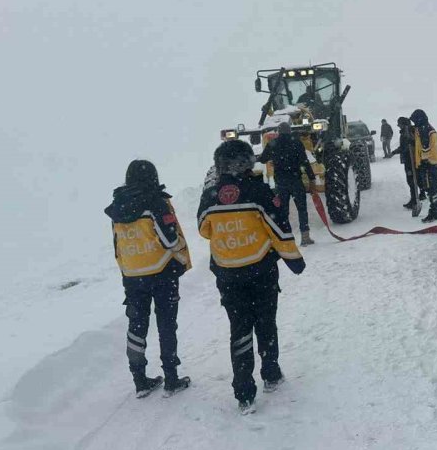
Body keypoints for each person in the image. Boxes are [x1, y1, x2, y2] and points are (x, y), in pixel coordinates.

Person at [198, 139, 306, 412]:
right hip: (261, 273)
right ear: (246, 163)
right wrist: (294, 261)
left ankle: (244, 392)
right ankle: (270, 374)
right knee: (266, 323)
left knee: (239, 329)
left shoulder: (210, 196)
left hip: (227, 276)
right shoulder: (259, 192)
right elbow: (279, 230)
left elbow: (204, 229)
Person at [105, 160, 192, 398]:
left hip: (132, 276)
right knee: (166, 323)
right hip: (162, 272)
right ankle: (172, 378)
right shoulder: (156, 202)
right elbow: (170, 240)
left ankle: (140, 380)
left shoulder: (117, 207)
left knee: (137, 325)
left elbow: (117, 245)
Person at [259, 121, 316, 245]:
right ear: (289, 131)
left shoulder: (272, 144)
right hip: (296, 181)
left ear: (278, 132)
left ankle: (287, 238)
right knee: (302, 209)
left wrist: (273, 158)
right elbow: (305, 162)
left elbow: (263, 160)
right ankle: (305, 237)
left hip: (281, 183)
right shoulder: (296, 143)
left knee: (284, 212)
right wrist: (312, 179)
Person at [411, 109, 437, 223]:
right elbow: (419, 147)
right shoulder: (420, 130)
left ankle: (434, 212)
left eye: (415, 122)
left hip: (432, 164)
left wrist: (424, 161)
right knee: (428, 188)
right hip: (425, 164)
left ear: (420, 120)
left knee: (433, 189)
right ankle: (434, 210)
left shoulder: (430, 132)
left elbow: (431, 149)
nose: (415, 124)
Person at [396, 116, 421, 215]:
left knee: (412, 181)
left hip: (411, 160)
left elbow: (405, 147)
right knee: (411, 181)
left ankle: (415, 200)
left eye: (399, 124)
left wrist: (394, 152)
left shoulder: (409, 132)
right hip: (408, 160)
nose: (398, 125)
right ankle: (414, 199)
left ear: (403, 124)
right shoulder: (406, 132)